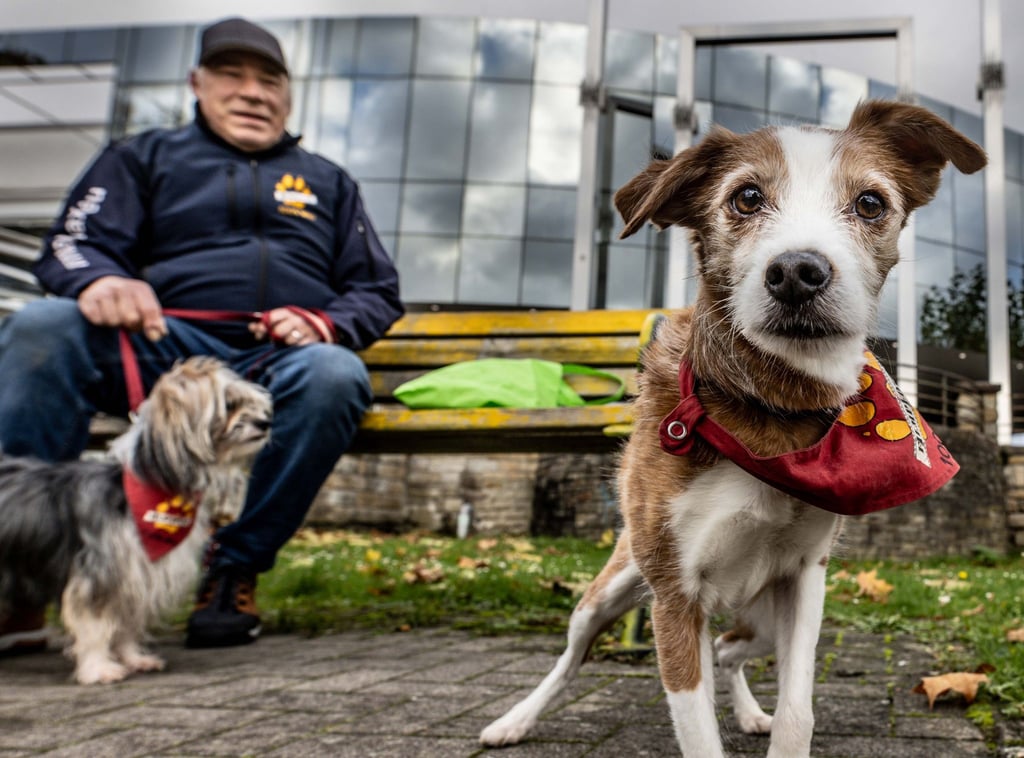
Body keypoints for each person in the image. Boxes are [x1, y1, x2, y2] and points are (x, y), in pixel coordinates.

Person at [0, 17, 403, 651]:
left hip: (273, 359)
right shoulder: (139, 157)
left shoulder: (329, 182)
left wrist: (325, 322)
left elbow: (377, 291)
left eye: (269, 79)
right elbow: (71, 247)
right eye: (231, 75)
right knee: (42, 325)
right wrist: (103, 281)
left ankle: (232, 570)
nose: (252, 92)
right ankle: (18, 580)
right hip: (159, 345)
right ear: (197, 84)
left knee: (334, 374)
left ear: (288, 94)